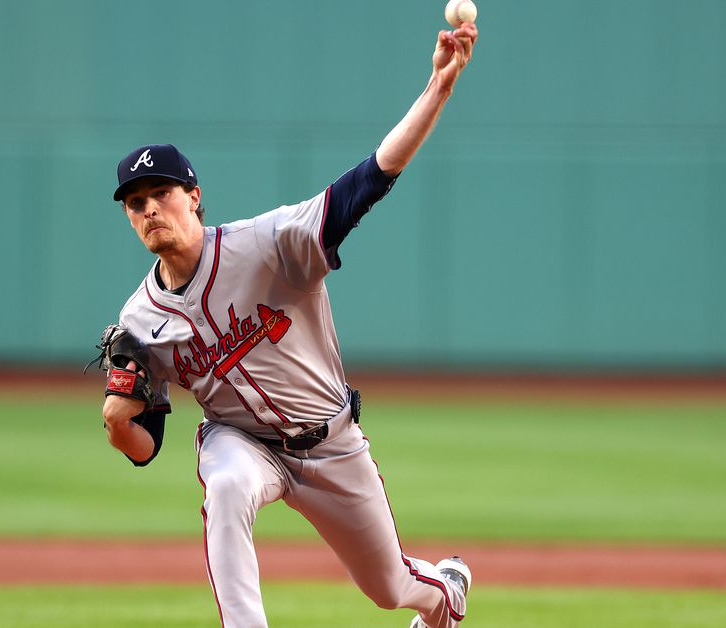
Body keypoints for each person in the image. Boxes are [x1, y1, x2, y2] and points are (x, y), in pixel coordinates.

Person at [98, 21, 479, 628]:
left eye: (161, 193)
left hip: (330, 443)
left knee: (389, 587)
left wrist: (436, 88)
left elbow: (371, 179)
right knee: (224, 485)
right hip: (243, 443)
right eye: (134, 203)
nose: (148, 209)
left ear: (194, 196)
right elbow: (145, 448)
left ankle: (444, 593)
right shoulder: (139, 320)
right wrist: (119, 426)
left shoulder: (271, 244)